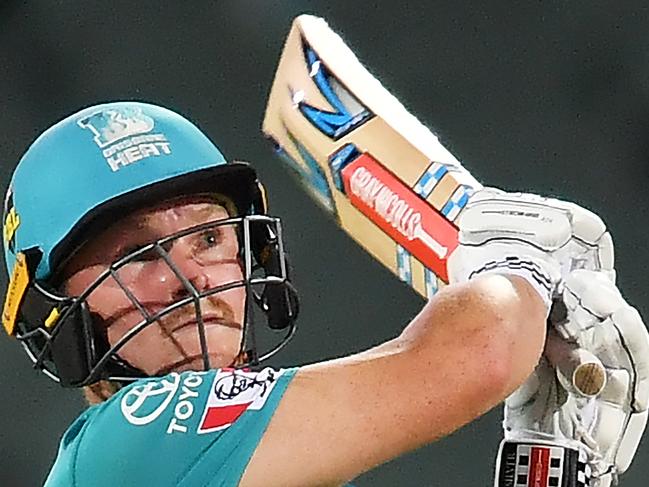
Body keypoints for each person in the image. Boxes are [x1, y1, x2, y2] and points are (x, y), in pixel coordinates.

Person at [2, 101, 646, 487]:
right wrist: (517, 272)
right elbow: (478, 354)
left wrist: (545, 461)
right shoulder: (128, 449)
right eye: (137, 256)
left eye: (206, 238)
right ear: (51, 314)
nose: (192, 281)